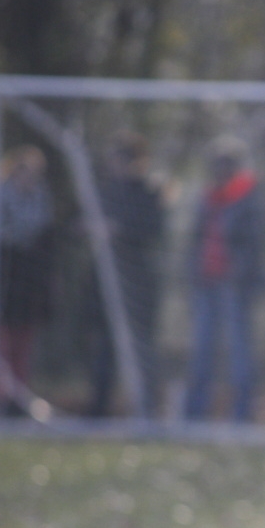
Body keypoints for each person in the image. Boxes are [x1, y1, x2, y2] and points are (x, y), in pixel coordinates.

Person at [183, 137, 264, 422]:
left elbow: (253, 244)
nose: (220, 170)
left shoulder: (247, 199)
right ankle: (193, 413)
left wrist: (241, 273)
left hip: (234, 286)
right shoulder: (207, 199)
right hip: (207, 282)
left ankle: (242, 414)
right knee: (201, 349)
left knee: (239, 352)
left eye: (225, 165)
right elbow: (196, 239)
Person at [89, 132, 166, 418]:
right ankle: (99, 409)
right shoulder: (105, 191)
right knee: (103, 346)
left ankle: (147, 407)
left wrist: (117, 228)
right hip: (105, 282)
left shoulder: (148, 192)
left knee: (141, 345)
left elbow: (151, 229)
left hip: (138, 283)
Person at [0, 144, 56, 417]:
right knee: (2, 345)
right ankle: (0, 400)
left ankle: (19, 400)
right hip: (4, 283)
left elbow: (45, 239)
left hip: (30, 284)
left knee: (24, 344)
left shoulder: (42, 202)